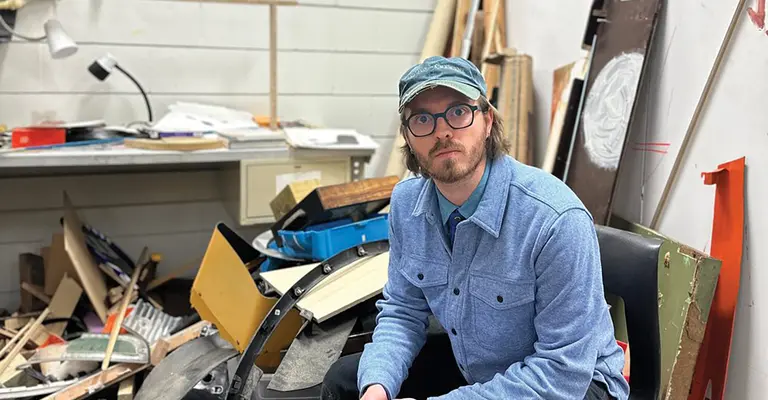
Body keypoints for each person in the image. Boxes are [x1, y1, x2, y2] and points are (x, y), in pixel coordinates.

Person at [320, 56, 630, 400]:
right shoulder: (406, 205)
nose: (442, 131)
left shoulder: (554, 219)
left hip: (575, 383)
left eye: (457, 111)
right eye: (422, 119)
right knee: (347, 383)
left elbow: (562, 371)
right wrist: (377, 386)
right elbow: (403, 312)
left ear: (486, 120)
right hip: (476, 363)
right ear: (408, 137)